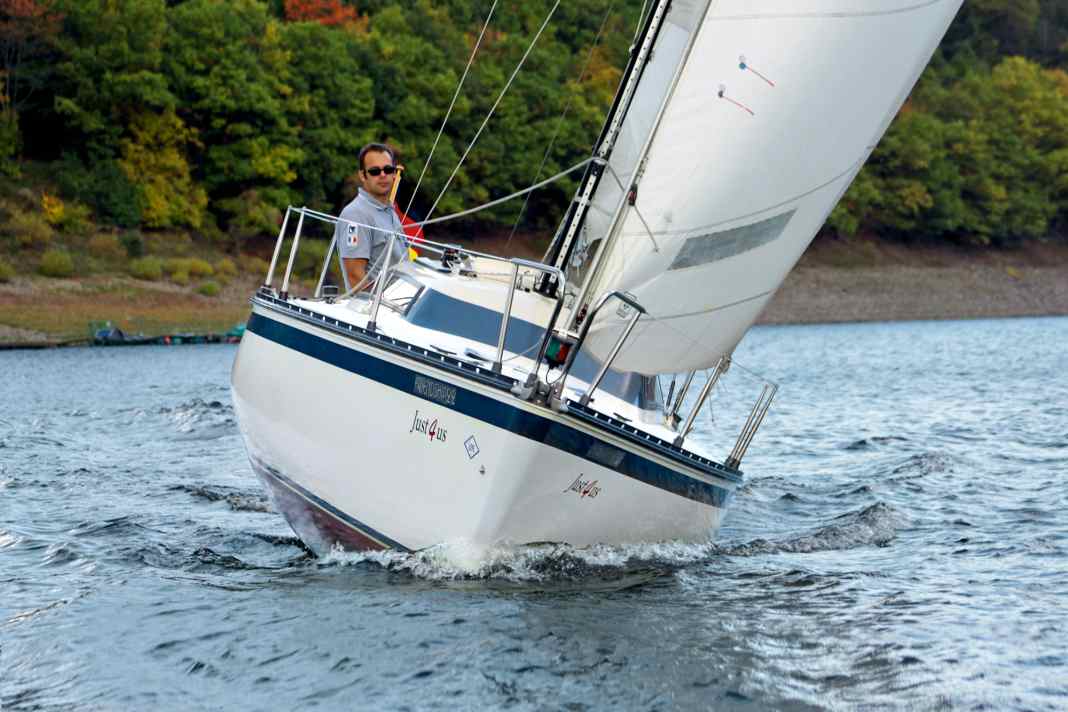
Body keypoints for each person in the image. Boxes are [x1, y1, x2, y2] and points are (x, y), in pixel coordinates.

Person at [335, 143, 410, 292]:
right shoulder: (355, 215)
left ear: (394, 174)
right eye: (375, 171)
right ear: (363, 175)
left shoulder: (390, 212)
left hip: (403, 301)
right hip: (377, 305)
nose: (383, 175)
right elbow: (355, 276)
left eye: (388, 169)